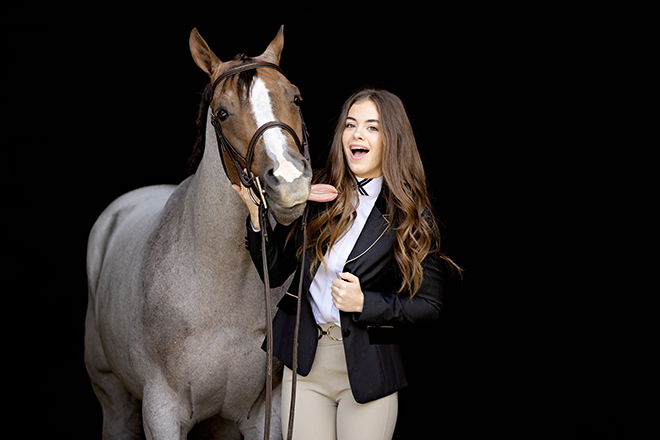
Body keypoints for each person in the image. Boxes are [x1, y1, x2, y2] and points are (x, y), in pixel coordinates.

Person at [233, 88, 460, 440]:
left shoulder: (408, 213)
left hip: (367, 368)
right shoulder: (318, 193)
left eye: (372, 127)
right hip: (306, 365)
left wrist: (365, 303)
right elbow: (275, 271)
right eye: (351, 125)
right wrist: (257, 218)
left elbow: (429, 306)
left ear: (392, 140)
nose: (357, 134)